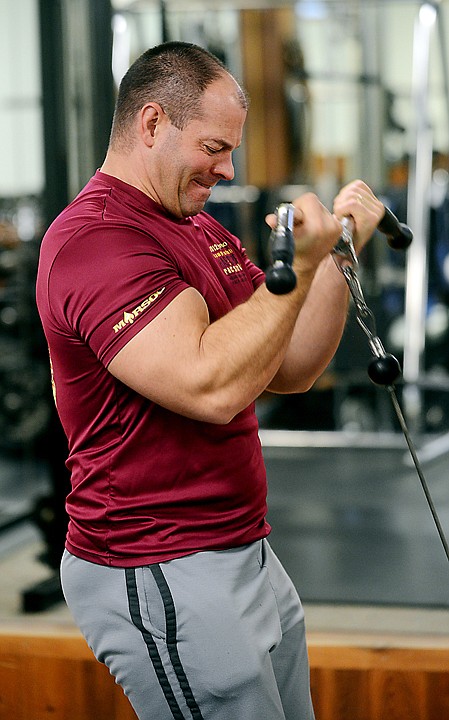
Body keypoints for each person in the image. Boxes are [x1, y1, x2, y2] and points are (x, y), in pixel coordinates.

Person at [36, 41, 384, 720]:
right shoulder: (96, 241)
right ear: (151, 122)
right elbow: (210, 388)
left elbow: (289, 367)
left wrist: (335, 256)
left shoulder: (199, 231)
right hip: (159, 563)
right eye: (214, 147)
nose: (226, 170)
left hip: (242, 548)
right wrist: (299, 269)